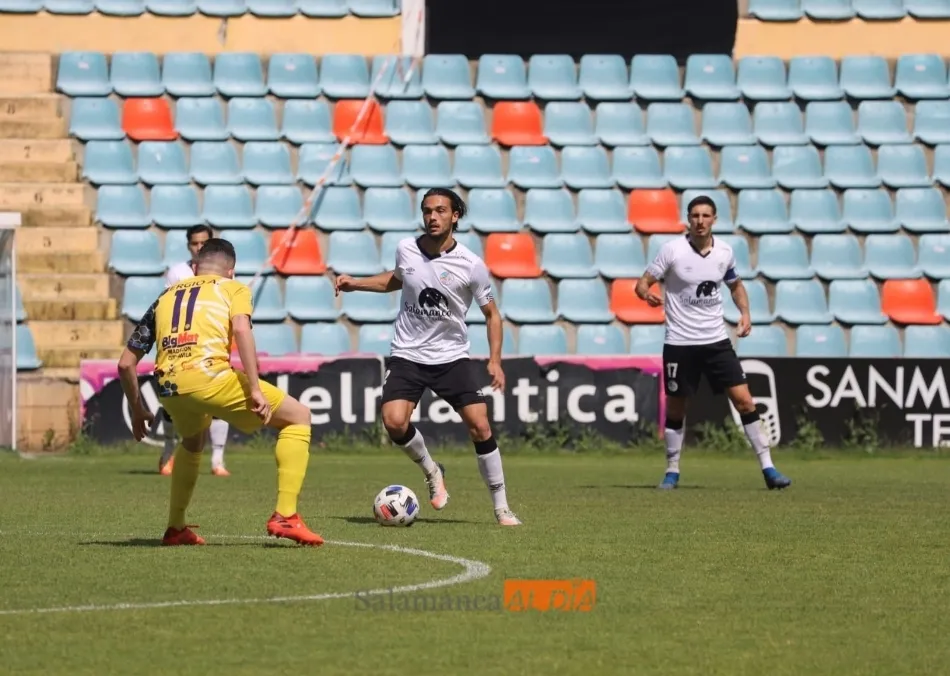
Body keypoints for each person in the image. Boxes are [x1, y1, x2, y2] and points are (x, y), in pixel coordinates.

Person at [117, 238, 323, 546]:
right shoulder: (233, 288)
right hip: (209, 377)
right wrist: (255, 387)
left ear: (196, 267)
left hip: (169, 386)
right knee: (298, 417)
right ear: (232, 271)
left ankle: (175, 528)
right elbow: (241, 329)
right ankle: (286, 515)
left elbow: (125, 364)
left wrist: (137, 408)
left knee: (192, 441)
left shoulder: (165, 296)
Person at [334, 188, 521, 526]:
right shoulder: (406, 248)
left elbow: (493, 315)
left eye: (440, 211)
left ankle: (502, 507)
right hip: (408, 354)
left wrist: (495, 359)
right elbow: (396, 279)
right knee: (394, 422)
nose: (432, 217)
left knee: (480, 426)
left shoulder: (471, 265)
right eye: (426, 211)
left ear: (455, 216)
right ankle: (432, 470)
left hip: (451, 357)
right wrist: (355, 284)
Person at [635, 195, 792, 491]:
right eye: (695, 215)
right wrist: (646, 294)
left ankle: (769, 469)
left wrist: (745, 313)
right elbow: (642, 283)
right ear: (688, 219)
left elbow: (735, 285)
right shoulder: (672, 251)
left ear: (714, 220)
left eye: (706, 216)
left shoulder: (724, 252)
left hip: (716, 341)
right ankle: (672, 470)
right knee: (677, 408)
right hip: (680, 343)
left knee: (745, 401)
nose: (700, 221)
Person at [159, 224, 231, 478]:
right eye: (195, 244)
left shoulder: (223, 274)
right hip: (181, 347)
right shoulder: (177, 273)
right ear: (189, 245)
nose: (199, 248)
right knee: (173, 402)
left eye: (204, 243)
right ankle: (168, 451)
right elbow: (167, 309)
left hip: (210, 347)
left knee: (219, 402)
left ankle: (218, 461)